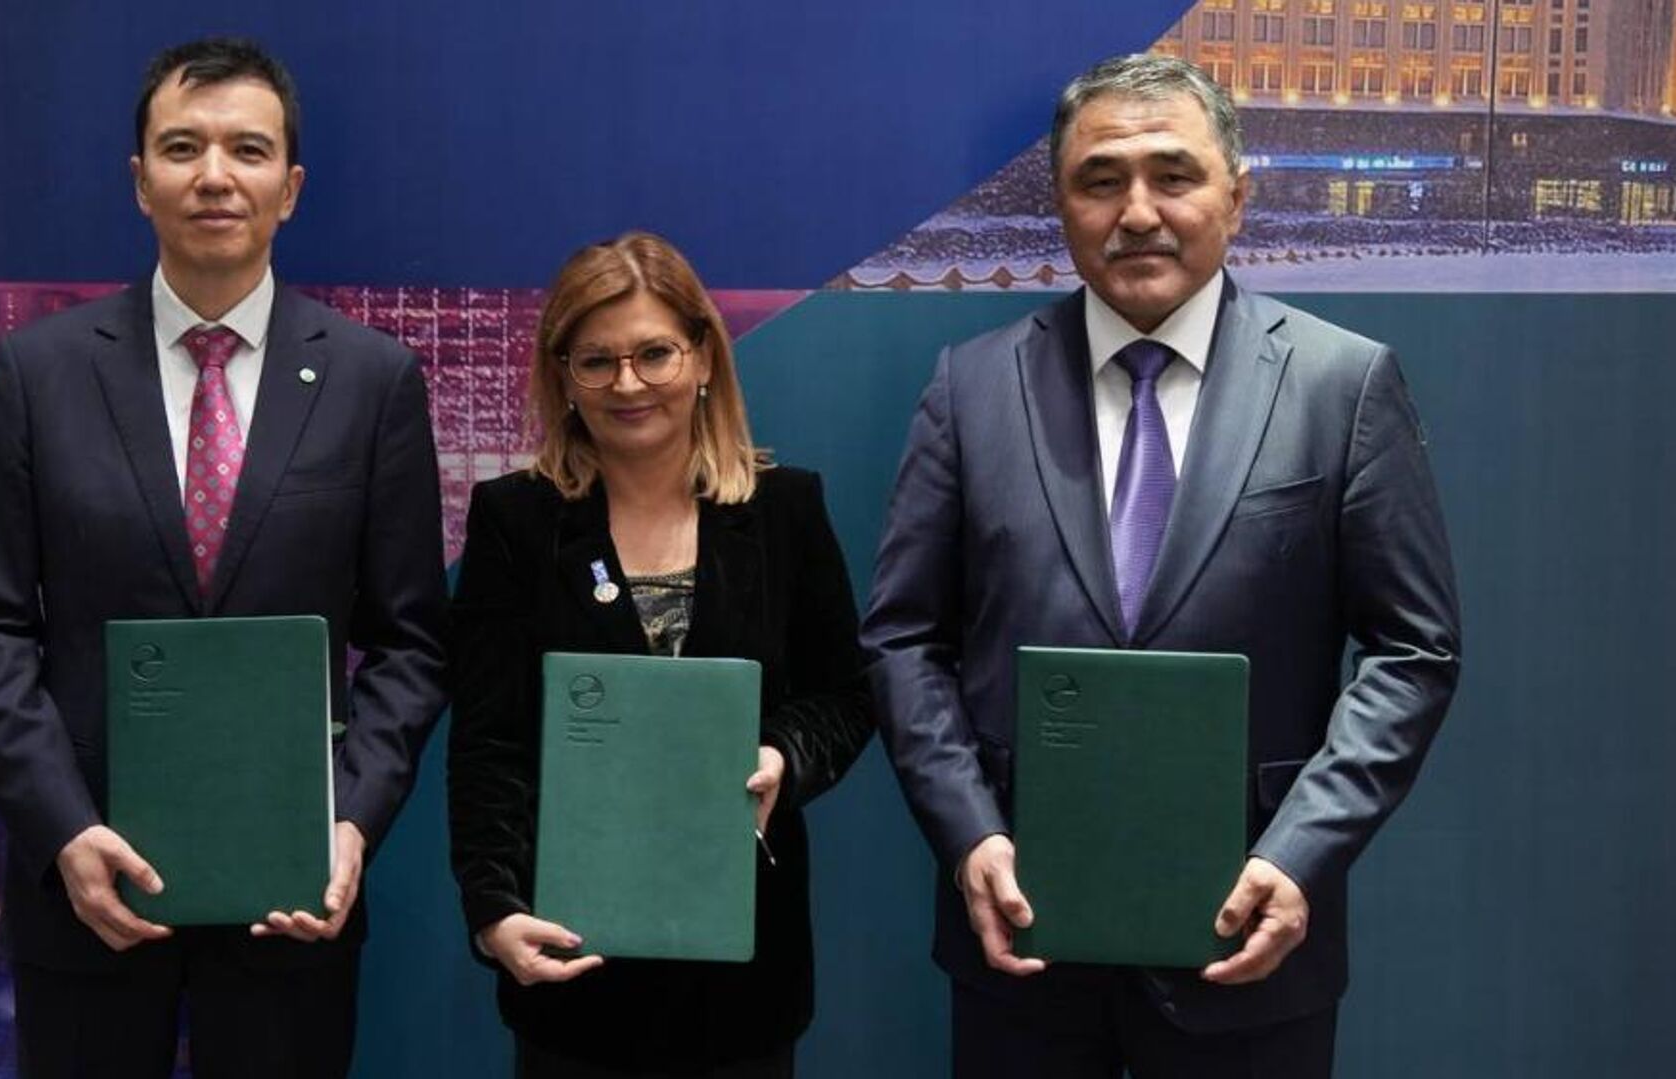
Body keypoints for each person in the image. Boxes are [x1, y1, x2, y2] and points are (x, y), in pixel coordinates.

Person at [862, 53, 1461, 1078]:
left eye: (1173, 175)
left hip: (1251, 936)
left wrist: (1299, 852)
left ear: (1237, 195)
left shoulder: (1343, 384)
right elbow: (903, 636)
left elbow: (1414, 650)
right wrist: (968, 835)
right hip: (1023, 937)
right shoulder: (971, 388)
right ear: (1062, 205)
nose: (1137, 211)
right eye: (1101, 180)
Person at [0, 37, 446, 1078]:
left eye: (248, 150)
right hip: (89, 889)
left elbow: (411, 642)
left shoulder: (373, 380)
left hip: (293, 896)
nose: (215, 175)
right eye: (183, 147)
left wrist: (349, 822)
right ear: (140, 180)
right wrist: (63, 831)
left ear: (289, 188)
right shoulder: (38, 373)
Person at [447, 231, 873, 1077]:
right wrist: (493, 906)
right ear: (564, 376)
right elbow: (489, 740)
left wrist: (782, 756)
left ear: (704, 356)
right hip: (570, 958)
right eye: (596, 361)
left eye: (654, 353)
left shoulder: (785, 510)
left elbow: (845, 694)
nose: (628, 383)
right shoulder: (515, 522)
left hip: (743, 974)